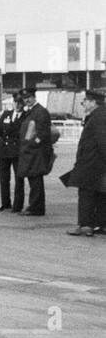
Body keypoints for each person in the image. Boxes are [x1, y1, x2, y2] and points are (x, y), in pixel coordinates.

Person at [63, 90, 106, 236]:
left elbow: (102, 141)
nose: (83, 104)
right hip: (96, 163)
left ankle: (85, 225)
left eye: (85, 101)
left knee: (86, 194)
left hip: (91, 163)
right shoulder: (99, 114)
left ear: (93, 102)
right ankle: (101, 224)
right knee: (100, 194)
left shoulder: (98, 116)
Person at [16, 87, 53, 217]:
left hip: (36, 152)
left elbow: (43, 134)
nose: (27, 100)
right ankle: (35, 206)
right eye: (25, 99)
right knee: (33, 179)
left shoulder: (40, 112)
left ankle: (36, 207)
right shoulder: (31, 111)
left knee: (36, 180)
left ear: (34, 97)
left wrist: (33, 144)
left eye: (29, 98)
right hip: (30, 152)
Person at [0, 91, 25, 212]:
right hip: (4, 151)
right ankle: (5, 202)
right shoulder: (6, 114)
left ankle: (18, 205)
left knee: (19, 179)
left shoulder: (25, 116)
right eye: (15, 102)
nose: (17, 105)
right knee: (4, 178)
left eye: (20, 103)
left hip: (17, 152)